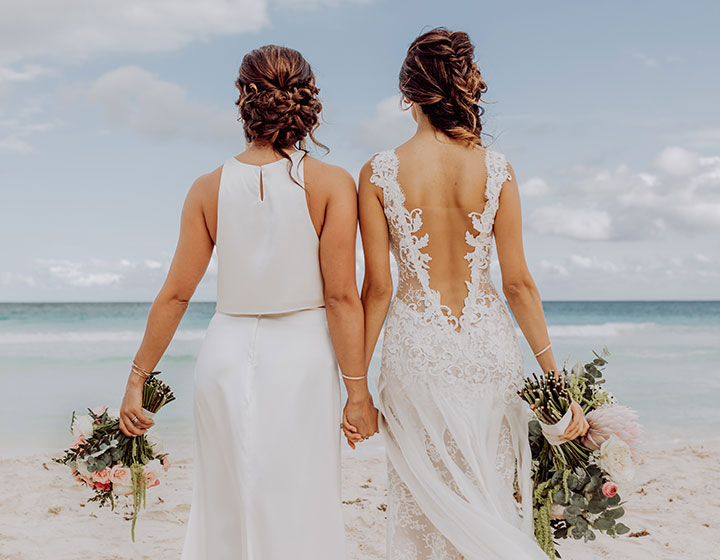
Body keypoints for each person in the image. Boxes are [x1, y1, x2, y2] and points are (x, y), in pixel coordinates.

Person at [118, 44, 379, 559]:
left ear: (243, 97)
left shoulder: (206, 188)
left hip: (225, 353)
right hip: (303, 357)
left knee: (225, 497)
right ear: (306, 101)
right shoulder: (331, 183)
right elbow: (342, 295)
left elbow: (175, 294)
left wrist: (137, 379)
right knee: (301, 496)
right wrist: (357, 391)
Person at [346, 28, 589, 559]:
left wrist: (356, 389)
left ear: (409, 95)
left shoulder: (378, 172)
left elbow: (379, 288)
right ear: (463, 88)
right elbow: (518, 283)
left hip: (417, 350)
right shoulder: (497, 170)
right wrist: (555, 382)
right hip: (487, 346)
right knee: (489, 493)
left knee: (426, 498)